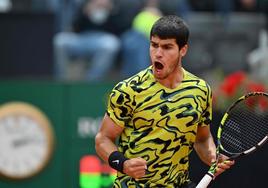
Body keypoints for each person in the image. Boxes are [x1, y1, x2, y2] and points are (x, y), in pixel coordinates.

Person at [95, 15, 234, 187]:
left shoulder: (201, 90)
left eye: (167, 47)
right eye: (154, 45)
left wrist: (213, 155)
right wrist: (123, 163)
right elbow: (103, 139)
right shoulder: (128, 90)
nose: (158, 54)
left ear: (183, 50)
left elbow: (202, 139)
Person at [53, 0, 121, 81]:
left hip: (103, 38)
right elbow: (74, 27)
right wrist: (85, 12)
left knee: (111, 44)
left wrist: (111, 11)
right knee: (60, 40)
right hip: (82, 38)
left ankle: (92, 81)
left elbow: (119, 30)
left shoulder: (115, 5)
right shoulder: (84, 3)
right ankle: (61, 80)